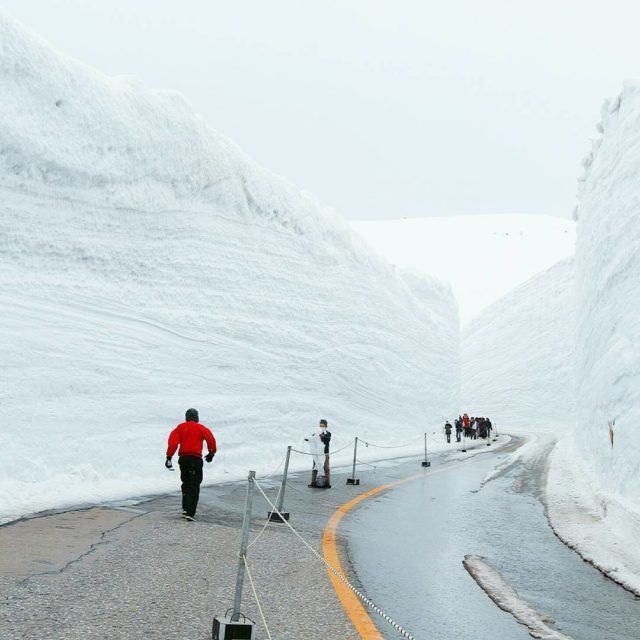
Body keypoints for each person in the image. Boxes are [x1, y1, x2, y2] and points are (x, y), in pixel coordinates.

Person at [166, 408, 217, 521]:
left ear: (186, 417)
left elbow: (173, 443)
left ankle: (185, 508)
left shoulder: (180, 428)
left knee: (186, 483)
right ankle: (190, 512)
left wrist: (169, 457)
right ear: (197, 417)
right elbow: (211, 440)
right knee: (194, 484)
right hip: (195, 459)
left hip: (183, 459)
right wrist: (211, 453)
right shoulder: (201, 428)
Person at [305, 419, 331, 488]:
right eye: (320, 425)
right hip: (317, 454)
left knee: (326, 468)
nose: (321, 426)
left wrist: (323, 437)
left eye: (323, 425)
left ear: (326, 426)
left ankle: (327, 483)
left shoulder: (328, 433)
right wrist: (308, 439)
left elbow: (328, 440)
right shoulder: (316, 433)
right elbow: (312, 438)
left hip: (325, 453)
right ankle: (313, 482)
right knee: (315, 467)